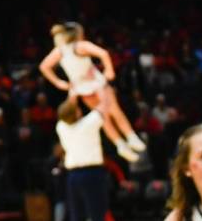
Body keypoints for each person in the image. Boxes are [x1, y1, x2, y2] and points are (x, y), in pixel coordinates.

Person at [40, 22, 144, 162]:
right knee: (114, 111)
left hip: (82, 88)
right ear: (78, 33)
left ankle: (120, 145)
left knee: (103, 118)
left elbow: (44, 66)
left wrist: (60, 83)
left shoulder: (60, 50)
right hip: (95, 84)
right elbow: (104, 53)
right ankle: (131, 137)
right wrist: (109, 70)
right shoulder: (80, 45)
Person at [55, 89, 111, 221]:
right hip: (92, 174)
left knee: (77, 216)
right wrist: (102, 87)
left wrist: (74, 92)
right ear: (77, 112)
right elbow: (105, 104)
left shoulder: (61, 127)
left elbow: (68, 109)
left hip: (73, 176)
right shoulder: (88, 124)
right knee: (97, 213)